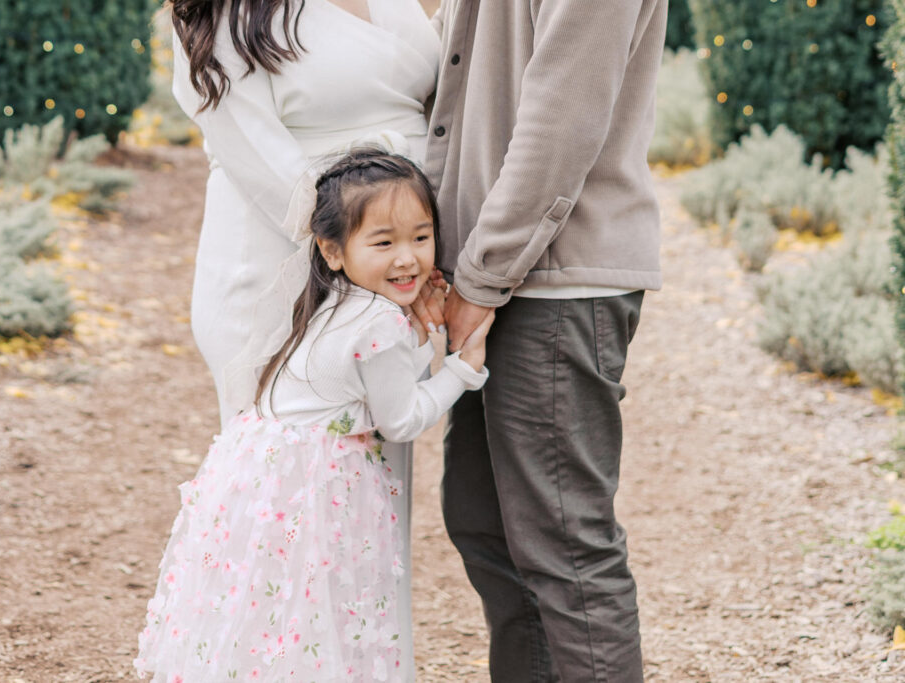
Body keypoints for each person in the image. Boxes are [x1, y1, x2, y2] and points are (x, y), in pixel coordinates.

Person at [134, 149, 492, 682]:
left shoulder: (338, 301)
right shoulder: (380, 323)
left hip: (264, 474)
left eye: (421, 237)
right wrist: (462, 369)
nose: (407, 259)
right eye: (384, 241)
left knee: (272, 615)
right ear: (332, 250)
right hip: (312, 487)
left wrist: (428, 335)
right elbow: (401, 420)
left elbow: (371, 381)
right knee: (323, 610)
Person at [167, 0, 441, 665]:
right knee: (283, 519)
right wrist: (359, 242)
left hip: (382, 263)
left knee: (367, 509)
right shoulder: (231, 12)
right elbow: (252, 146)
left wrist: (407, 253)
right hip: (280, 264)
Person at [421, 1, 667, 681]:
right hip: (499, 274)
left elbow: (562, 119)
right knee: (485, 524)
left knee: (565, 549)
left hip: (553, 279)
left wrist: (478, 276)